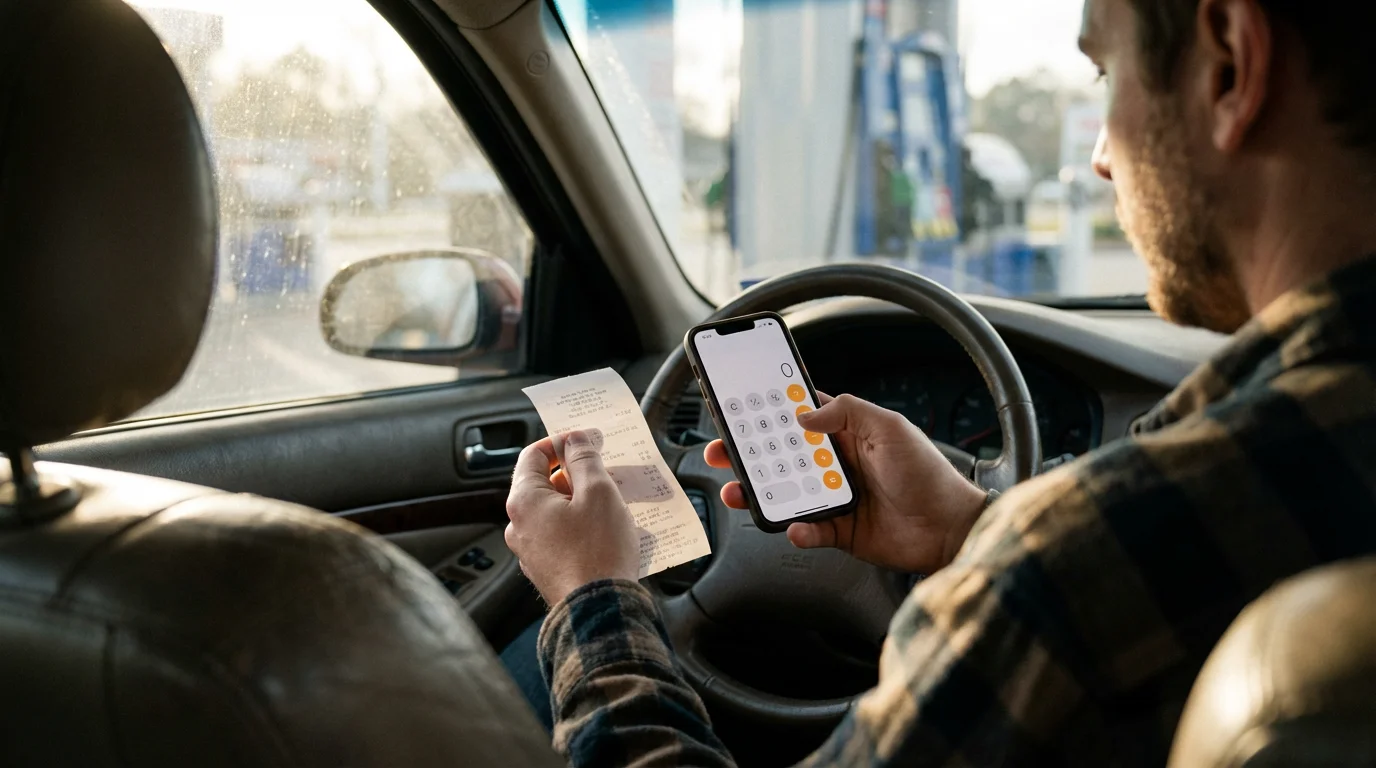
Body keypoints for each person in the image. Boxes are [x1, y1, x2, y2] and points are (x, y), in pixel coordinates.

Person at [504, 0, 1376, 763]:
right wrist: (973, 527)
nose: (1103, 158)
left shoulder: (1084, 564)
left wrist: (595, 598)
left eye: (1106, 72)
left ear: (1229, 60)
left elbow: (1092, 580)